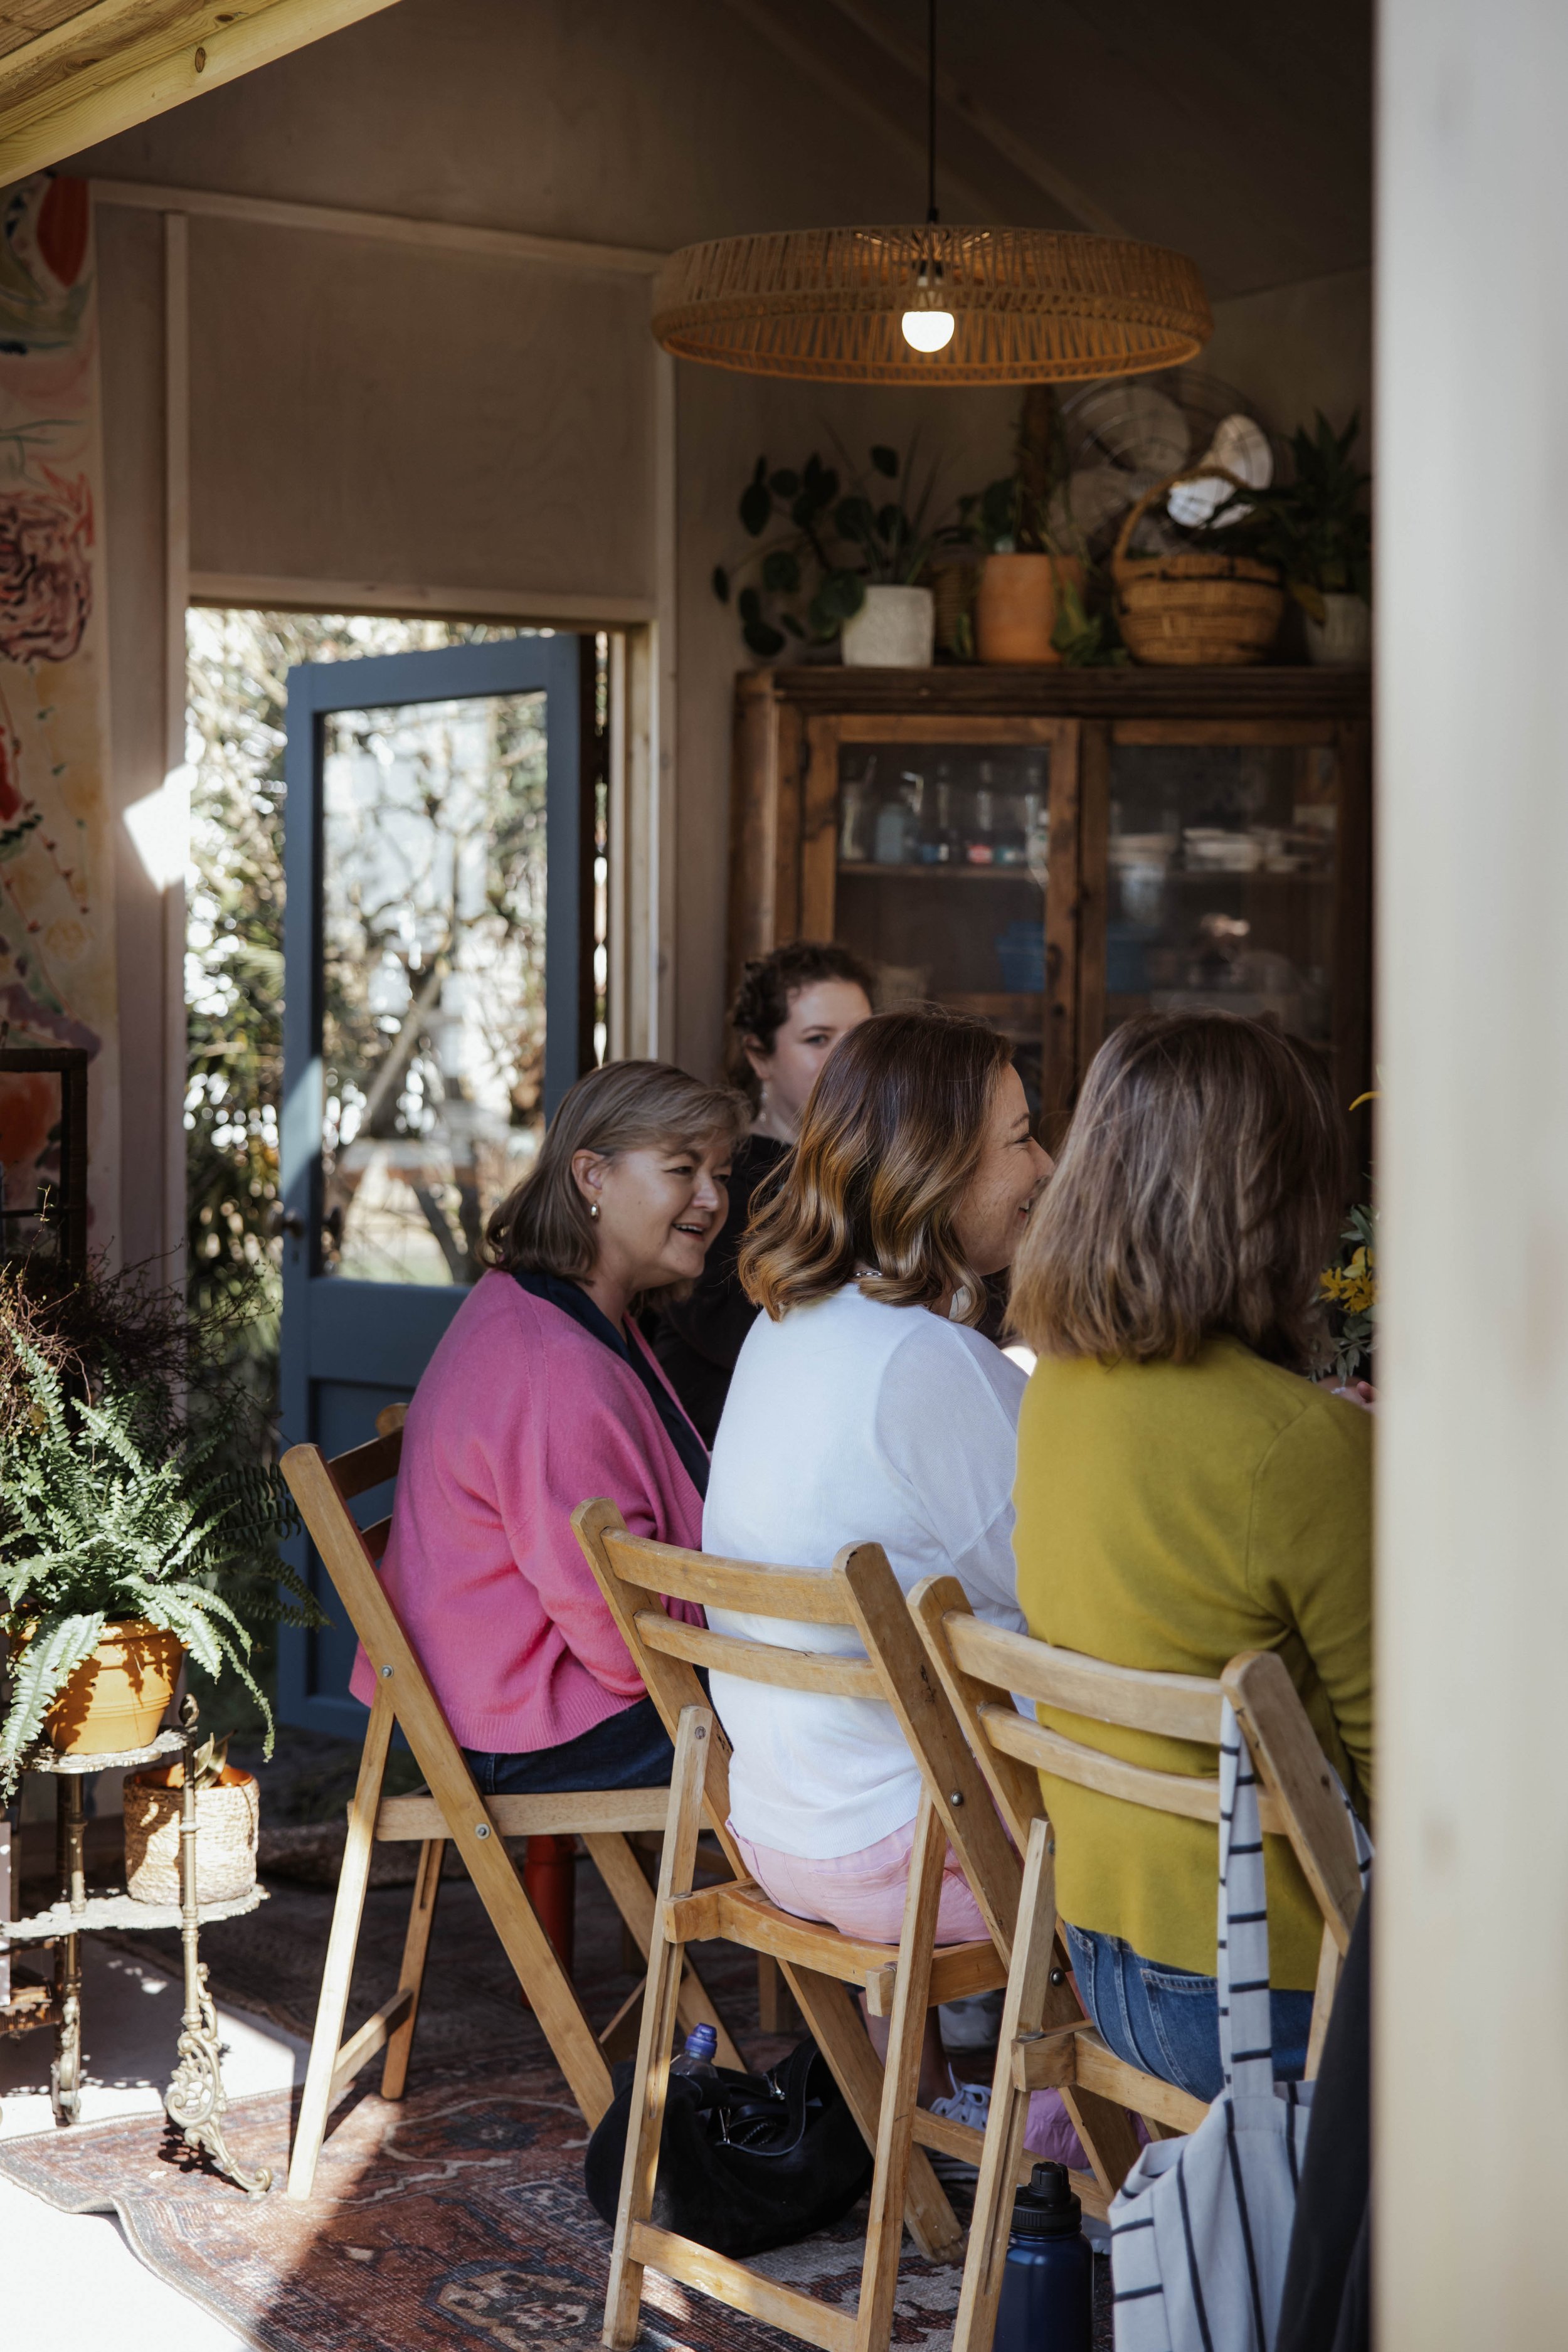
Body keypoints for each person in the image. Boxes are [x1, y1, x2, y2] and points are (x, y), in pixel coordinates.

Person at [1007, 1012, 1373, 2103]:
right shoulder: (1302, 1446)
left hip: (1110, 1959)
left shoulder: (1053, 1390)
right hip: (1279, 1994)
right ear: (1281, 1197)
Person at [702, 1007, 1052, 2102]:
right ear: (938, 1168)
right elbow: (1067, 1591)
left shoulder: (788, 1322)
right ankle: (1100, 2144)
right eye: (1022, 1138)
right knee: (1192, 1768)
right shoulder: (927, 1363)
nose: (1047, 1165)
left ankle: (950, 2106)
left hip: (783, 1825)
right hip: (917, 1857)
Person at [349, 1059, 748, 1793]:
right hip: (533, 1717)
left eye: (719, 1174)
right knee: (829, 1734)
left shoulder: (555, 1308)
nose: (711, 1198)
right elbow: (627, 1650)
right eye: (683, 1169)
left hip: (513, 1689)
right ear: (592, 1176)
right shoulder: (552, 1362)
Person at [653, 942, 874, 1443]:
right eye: (819, 1039)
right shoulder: (721, 1187)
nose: (848, 1059)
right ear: (759, 1056)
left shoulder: (878, 1172)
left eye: (862, 1037)